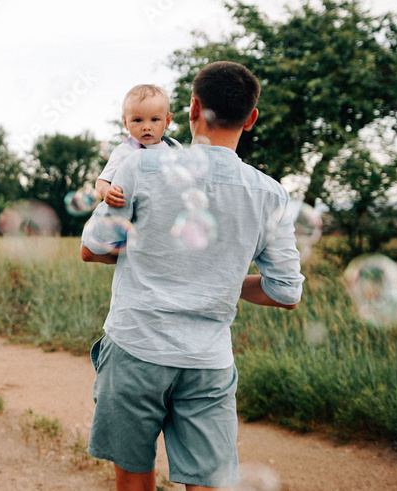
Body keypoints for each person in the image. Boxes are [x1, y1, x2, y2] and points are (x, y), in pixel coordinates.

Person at [80, 61, 304, 491]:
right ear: (251, 117)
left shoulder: (139, 168)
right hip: (208, 362)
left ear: (191, 109)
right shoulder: (271, 194)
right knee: (209, 483)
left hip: (135, 345)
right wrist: (216, 279)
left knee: (133, 473)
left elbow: (93, 249)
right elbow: (286, 293)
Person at [95, 84, 181, 208]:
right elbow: (102, 181)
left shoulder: (174, 146)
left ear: (167, 121)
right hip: (137, 209)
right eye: (137, 120)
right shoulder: (125, 150)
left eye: (155, 119)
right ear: (125, 123)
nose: (146, 126)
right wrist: (106, 191)